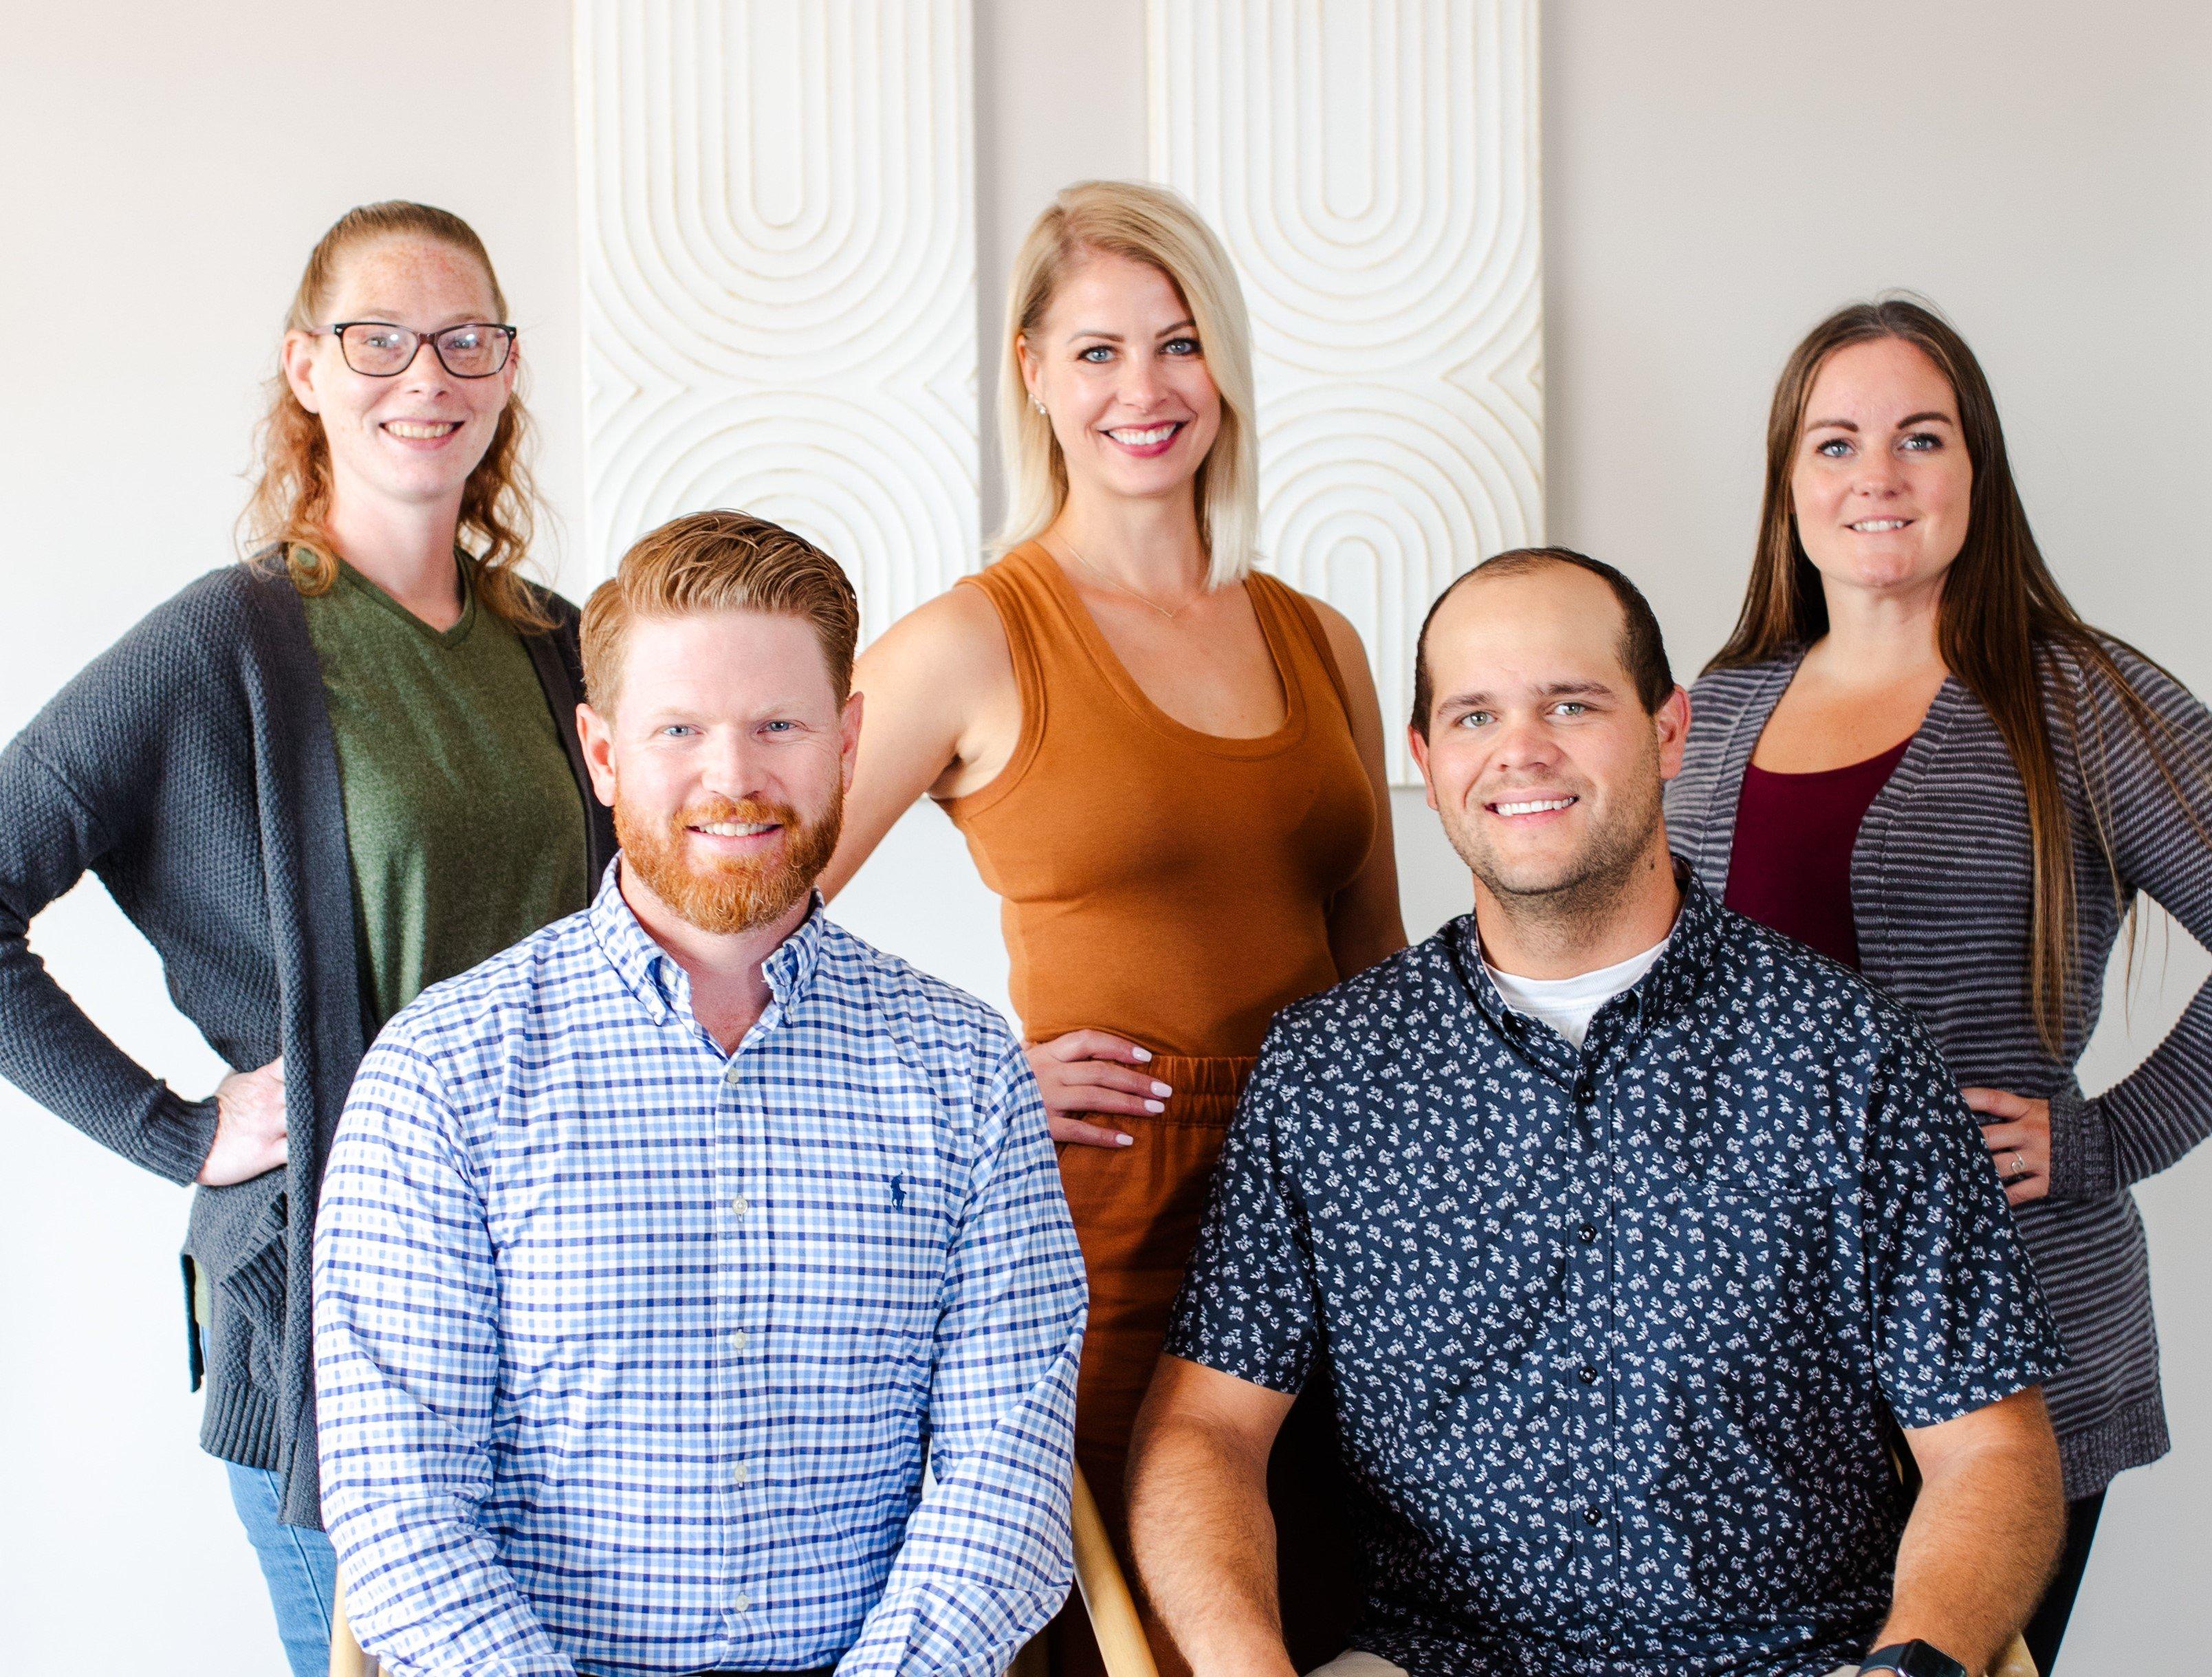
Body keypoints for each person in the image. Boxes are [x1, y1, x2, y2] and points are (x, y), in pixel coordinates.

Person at [1127, 548, 2070, 1677]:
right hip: (1437, 1663)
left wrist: (1911, 1664)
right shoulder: (1327, 1073)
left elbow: (1990, 1449)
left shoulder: (1848, 1055)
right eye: (1474, 715)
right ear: (1426, 763)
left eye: (1570, 704)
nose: (1520, 750)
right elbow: (1205, 1428)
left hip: (1793, 1660)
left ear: (1669, 730)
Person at [314, 511, 1087, 1677]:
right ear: (603, 752)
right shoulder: (440, 1076)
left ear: (847, 740)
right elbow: (399, 1512)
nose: (733, 778)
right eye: (679, 729)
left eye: (779, 724)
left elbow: (1005, 1487)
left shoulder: (967, 1070)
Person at [0, 201, 612, 1674]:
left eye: (468, 338)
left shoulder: (564, 643)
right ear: (306, 369)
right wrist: (176, 1125)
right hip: (331, 1304)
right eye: (379, 338)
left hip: (571, 1296)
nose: (428, 376)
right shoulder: (229, 641)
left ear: (508, 370)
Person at [819, 181, 1405, 1674]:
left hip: (1326, 1199)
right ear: (1030, 371)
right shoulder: (973, 636)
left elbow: (1383, 981)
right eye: (1095, 351)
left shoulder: (1316, 635)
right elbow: (745, 908)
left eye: (1178, 343)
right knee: (1103, 1636)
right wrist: (967, 1091)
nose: (1142, 390)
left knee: (1319, 1610)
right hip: (1107, 1208)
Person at [1665, 297, 2212, 1673]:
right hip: (1756, 1365)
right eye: (1835, 442)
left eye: (1921, 436)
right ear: (1790, 484)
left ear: (1976, 470)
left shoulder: (2083, 700)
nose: (1879, 476)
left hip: (2018, 1344)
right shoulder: (1714, 710)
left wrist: (2098, 1134)